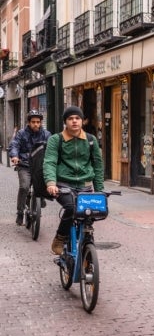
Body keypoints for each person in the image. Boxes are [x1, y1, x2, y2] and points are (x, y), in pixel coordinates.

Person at [44, 106, 104, 255]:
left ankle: (86, 245)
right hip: (63, 185)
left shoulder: (91, 140)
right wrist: (51, 183)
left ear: (82, 121)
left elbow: (97, 164)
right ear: (65, 122)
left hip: (85, 185)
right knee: (71, 208)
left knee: (91, 212)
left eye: (77, 118)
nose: (74, 121)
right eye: (70, 119)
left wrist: (100, 189)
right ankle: (60, 238)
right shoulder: (55, 140)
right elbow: (50, 161)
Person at [8, 110, 52, 225]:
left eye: (38, 122)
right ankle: (20, 212)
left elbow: (52, 149)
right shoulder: (21, 133)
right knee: (24, 187)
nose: (36, 124)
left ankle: (40, 197)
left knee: (43, 185)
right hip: (24, 165)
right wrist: (15, 156)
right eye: (33, 122)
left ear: (41, 122)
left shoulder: (46, 135)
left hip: (40, 166)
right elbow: (14, 145)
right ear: (29, 122)